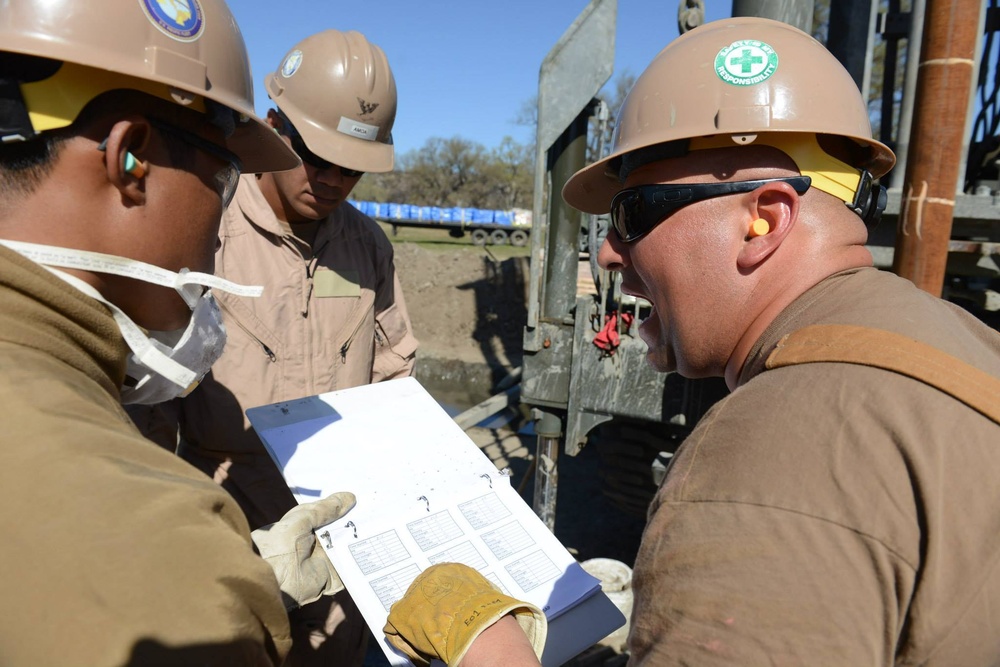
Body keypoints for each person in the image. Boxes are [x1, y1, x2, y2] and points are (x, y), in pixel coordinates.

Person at [382, 16, 1000, 666]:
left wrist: (496, 654)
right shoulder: (960, 345)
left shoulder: (762, 466)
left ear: (763, 221)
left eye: (632, 214)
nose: (610, 253)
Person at [0, 1, 355, 664]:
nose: (220, 228)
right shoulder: (159, 547)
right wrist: (209, 583)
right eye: (223, 179)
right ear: (129, 158)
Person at [128, 28, 418, 666]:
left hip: (341, 555)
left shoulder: (368, 249)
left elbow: (398, 379)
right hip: (232, 551)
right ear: (273, 127)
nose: (335, 178)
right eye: (317, 155)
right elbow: (149, 422)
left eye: (353, 166)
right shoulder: (205, 233)